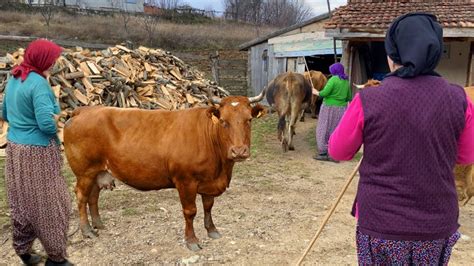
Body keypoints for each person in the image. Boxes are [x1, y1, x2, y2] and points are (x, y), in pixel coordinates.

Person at [328, 13, 474, 265]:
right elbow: (466, 156)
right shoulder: (460, 100)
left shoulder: (368, 100)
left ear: (392, 54)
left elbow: (338, 151)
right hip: (435, 225)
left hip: (380, 224)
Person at [3, 39, 73, 266]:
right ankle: (56, 259)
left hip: (15, 150)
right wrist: (56, 122)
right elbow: (46, 124)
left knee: (22, 202)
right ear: (42, 60)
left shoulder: (15, 76)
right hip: (37, 153)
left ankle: (23, 251)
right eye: (51, 60)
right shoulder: (38, 85)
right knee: (52, 205)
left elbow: (3, 112)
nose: (54, 64)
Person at [313, 62, 352, 161]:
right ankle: (333, 154)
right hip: (341, 109)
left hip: (329, 108)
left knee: (323, 129)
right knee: (335, 130)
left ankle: (323, 153)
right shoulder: (346, 81)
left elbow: (324, 93)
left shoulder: (333, 80)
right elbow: (349, 97)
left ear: (334, 71)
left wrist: (315, 92)